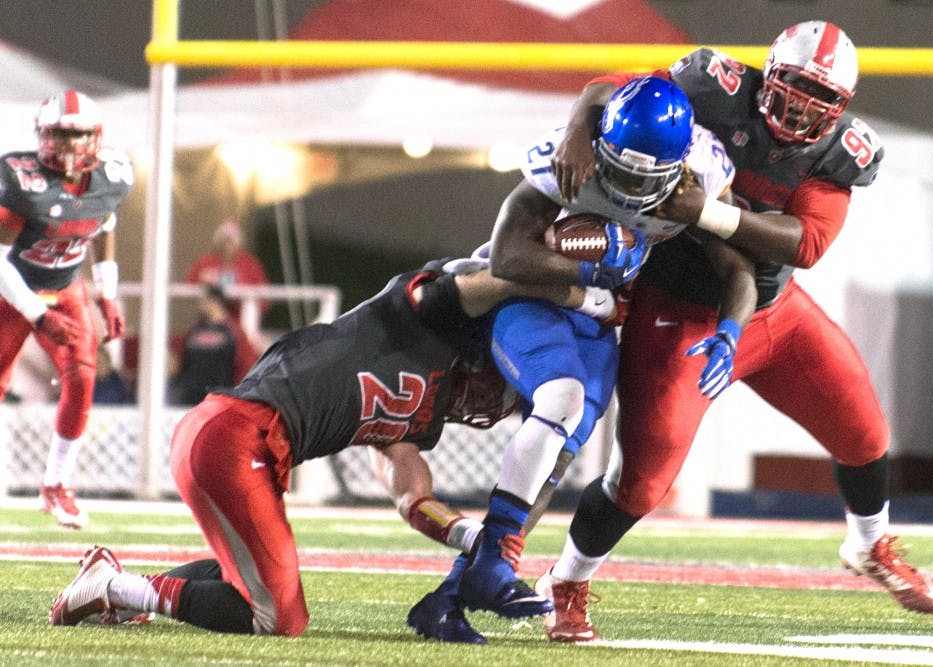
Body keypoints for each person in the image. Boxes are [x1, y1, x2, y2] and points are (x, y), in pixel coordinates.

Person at [535, 20, 933, 643]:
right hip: (677, 305)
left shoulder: (841, 153)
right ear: (767, 75)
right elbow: (610, 89)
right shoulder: (713, 85)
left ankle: (869, 544)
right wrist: (575, 132)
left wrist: (704, 209)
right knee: (641, 482)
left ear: (842, 107)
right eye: (793, 88)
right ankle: (564, 580)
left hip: (770, 311)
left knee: (864, 431)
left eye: (821, 98)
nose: (801, 108)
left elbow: (806, 243)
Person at [48, 258, 604, 638]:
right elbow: (498, 278)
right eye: (499, 385)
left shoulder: (426, 411)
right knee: (278, 617)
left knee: (259, 579)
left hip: (243, 444)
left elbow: (412, 496)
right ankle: (113, 587)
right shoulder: (420, 316)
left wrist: (471, 536)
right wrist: (581, 293)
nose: (494, 401)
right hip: (236, 434)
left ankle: (113, 581)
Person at [446, 76, 758, 632]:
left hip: (599, 316)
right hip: (534, 296)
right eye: (619, 168)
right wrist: (595, 265)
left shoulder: (703, 173)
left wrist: (732, 330)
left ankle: (466, 581)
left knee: (562, 453)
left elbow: (738, 268)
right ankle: (484, 566)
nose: (630, 186)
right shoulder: (571, 158)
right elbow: (508, 258)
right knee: (561, 399)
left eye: (645, 177)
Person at [0, 90, 133, 529]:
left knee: (82, 378)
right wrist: (38, 315)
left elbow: (105, 225)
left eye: (77, 135)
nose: (68, 146)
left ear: (94, 138)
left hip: (66, 285)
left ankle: (55, 485)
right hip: (13, 289)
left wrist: (107, 294)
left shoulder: (111, 178)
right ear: (43, 135)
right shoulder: (23, 184)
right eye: (59, 135)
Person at [167, 283, 259, 406]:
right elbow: (182, 360)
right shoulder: (194, 331)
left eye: (204, 299)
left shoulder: (234, 332)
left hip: (220, 399)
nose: (200, 304)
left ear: (214, 301)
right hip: (191, 399)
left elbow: (245, 365)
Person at [185, 218, 269, 317]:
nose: (227, 245)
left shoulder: (250, 264)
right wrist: (202, 278)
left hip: (241, 319)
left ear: (238, 243)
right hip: (212, 318)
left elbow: (264, 297)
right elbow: (189, 283)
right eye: (224, 241)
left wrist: (229, 281)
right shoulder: (206, 262)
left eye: (231, 241)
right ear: (218, 242)